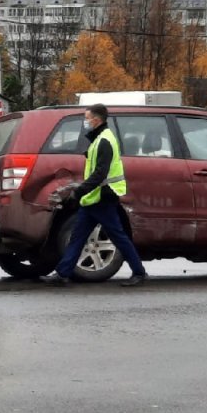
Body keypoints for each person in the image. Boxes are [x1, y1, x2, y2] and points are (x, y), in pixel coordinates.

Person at [41, 103, 146, 287]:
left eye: (87, 118)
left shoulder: (104, 140)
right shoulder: (99, 139)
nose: (85, 121)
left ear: (97, 120)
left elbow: (100, 173)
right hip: (93, 198)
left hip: (103, 198)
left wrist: (79, 191)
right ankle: (63, 273)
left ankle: (139, 272)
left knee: (117, 236)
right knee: (78, 237)